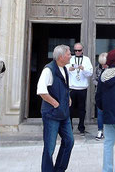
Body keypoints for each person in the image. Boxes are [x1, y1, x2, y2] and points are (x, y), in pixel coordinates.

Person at [37, 44, 74, 172]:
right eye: (69, 54)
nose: (71, 56)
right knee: (49, 147)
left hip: (64, 114)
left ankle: (59, 169)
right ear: (61, 56)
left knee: (69, 141)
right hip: (52, 114)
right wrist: (56, 104)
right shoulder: (48, 70)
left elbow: (63, 86)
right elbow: (41, 91)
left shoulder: (64, 69)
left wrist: (67, 96)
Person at [66, 42, 93, 135]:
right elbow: (63, 70)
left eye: (79, 50)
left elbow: (90, 73)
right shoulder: (70, 58)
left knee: (82, 108)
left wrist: (83, 69)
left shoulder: (86, 59)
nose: (77, 52)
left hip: (82, 88)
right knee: (70, 108)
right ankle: (69, 127)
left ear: (82, 50)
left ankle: (81, 127)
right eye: (76, 50)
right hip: (71, 87)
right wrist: (69, 69)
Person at [93, 52, 108, 140]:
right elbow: (93, 79)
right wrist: (99, 84)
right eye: (102, 64)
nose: (104, 66)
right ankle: (100, 130)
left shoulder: (111, 69)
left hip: (109, 94)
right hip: (99, 93)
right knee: (100, 113)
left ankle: (108, 130)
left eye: (105, 64)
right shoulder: (97, 68)